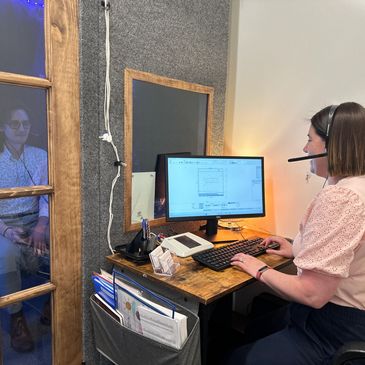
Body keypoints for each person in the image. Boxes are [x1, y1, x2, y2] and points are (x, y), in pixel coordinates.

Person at [228, 102, 365, 365]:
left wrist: (260, 270)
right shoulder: (354, 185)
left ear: (330, 145)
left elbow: (312, 294)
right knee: (256, 325)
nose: (305, 149)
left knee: (237, 359)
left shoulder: (344, 198)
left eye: (309, 139)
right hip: (339, 314)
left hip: (334, 329)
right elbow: (344, 251)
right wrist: (294, 248)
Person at [0, 104, 49, 352]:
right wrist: (7, 231)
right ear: (3, 128)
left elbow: (46, 197)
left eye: (26, 124)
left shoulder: (40, 156)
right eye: (15, 124)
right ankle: (16, 316)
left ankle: (54, 304)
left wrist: (41, 225)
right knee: (6, 254)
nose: (21, 129)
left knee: (63, 241)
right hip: (4, 224)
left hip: (35, 220)